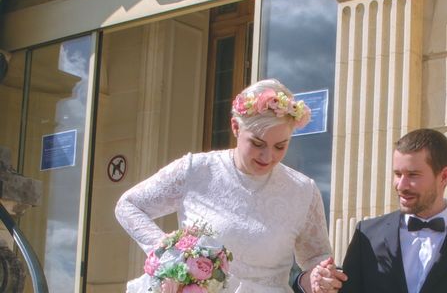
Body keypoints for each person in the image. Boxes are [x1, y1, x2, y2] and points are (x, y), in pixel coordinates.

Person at [115, 79, 341, 293]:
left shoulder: (303, 191)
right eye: (257, 143)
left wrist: (317, 278)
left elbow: (316, 258)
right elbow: (129, 205)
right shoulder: (196, 170)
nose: (267, 156)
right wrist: (172, 253)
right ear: (235, 127)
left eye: (280, 146)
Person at [316, 128, 447, 293]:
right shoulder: (366, 235)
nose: (401, 185)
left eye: (413, 175)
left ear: (444, 176)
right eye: (398, 174)